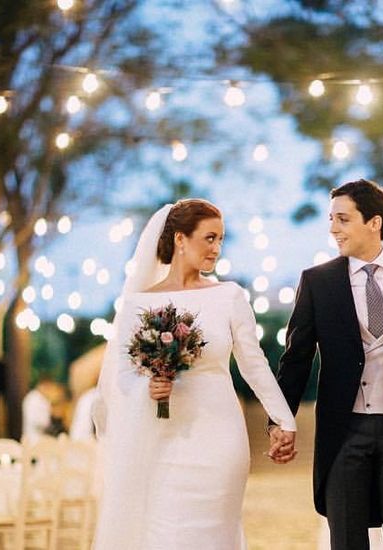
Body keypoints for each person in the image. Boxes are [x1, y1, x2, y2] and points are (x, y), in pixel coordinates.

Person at [92, 199, 296, 549]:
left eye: (221, 240)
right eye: (209, 238)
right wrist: (149, 387)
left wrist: (284, 419)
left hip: (219, 440)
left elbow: (254, 364)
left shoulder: (229, 296)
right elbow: (122, 378)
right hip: (161, 442)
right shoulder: (138, 304)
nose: (217, 248)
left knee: (214, 533)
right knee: (164, 535)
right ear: (180, 240)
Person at [271, 179, 383, 550]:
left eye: (343, 219)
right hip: (344, 430)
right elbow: (296, 359)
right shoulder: (319, 282)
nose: (333, 228)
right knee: (348, 540)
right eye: (332, 219)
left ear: (375, 222)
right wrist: (280, 420)